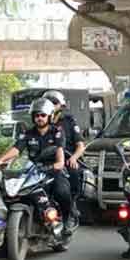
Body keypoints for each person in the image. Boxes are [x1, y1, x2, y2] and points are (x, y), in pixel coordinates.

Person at [0, 97, 74, 236]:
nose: (39, 118)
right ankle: (8, 239)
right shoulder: (28, 133)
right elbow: (16, 149)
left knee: (62, 191)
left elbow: (59, 152)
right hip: (33, 171)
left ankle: (67, 220)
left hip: (53, 170)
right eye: (37, 115)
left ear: (49, 116)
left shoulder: (57, 132)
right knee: (12, 193)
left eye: (43, 115)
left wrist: (58, 164)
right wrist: (0, 160)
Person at [44, 89, 85, 227]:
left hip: (67, 158)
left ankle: (71, 204)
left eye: (54, 102)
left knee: (73, 172)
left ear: (61, 106)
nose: (51, 105)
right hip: (46, 160)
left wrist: (73, 158)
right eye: (48, 102)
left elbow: (80, 145)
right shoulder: (41, 120)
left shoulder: (68, 121)